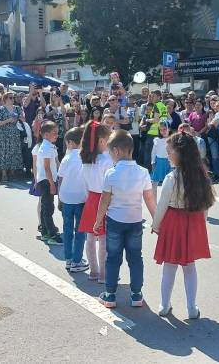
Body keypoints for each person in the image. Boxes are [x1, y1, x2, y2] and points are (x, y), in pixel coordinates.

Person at [152, 131, 215, 319]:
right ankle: (191, 307)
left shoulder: (172, 178)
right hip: (193, 221)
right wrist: (201, 223)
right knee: (189, 266)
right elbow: (206, 204)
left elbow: (162, 205)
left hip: (173, 222)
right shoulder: (201, 176)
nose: (168, 155)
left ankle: (165, 304)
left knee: (169, 265)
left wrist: (156, 225)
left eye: (169, 151)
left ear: (180, 153)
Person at [94, 130, 157, 308]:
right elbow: (149, 199)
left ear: (116, 151)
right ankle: (136, 294)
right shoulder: (143, 172)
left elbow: (104, 200)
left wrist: (98, 220)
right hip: (135, 222)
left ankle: (110, 295)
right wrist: (156, 220)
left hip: (115, 221)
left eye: (110, 152)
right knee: (135, 257)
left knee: (113, 258)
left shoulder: (111, 174)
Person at [78, 122, 113, 282]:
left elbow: (85, 184)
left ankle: (93, 271)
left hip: (91, 198)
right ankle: (104, 274)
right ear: (101, 140)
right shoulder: (107, 159)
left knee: (90, 237)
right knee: (104, 239)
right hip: (105, 199)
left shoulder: (85, 159)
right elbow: (110, 183)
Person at [58, 127, 90, 272]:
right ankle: (77, 260)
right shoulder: (85, 158)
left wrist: (59, 197)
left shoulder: (66, 158)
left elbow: (60, 178)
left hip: (66, 197)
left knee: (67, 229)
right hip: (81, 198)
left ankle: (68, 259)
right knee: (80, 231)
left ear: (70, 142)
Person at [36, 122, 62, 244]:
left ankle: (45, 232)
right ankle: (52, 235)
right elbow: (47, 168)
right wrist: (52, 184)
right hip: (46, 181)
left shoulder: (51, 146)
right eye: (54, 133)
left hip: (48, 180)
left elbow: (56, 163)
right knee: (48, 208)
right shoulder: (46, 148)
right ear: (46, 135)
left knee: (45, 207)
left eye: (57, 132)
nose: (57, 135)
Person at [0, 92, 25, 182]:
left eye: (13, 98)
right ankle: (4, 174)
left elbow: (23, 119)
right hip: (4, 134)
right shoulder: (0, 109)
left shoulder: (17, 108)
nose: (12, 99)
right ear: (5, 99)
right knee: (3, 153)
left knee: (14, 152)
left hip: (15, 134)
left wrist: (20, 118)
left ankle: (12, 172)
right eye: (10, 98)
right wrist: (8, 120)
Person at [151, 121, 173, 188]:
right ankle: (154, 195)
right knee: (154, 182)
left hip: (169, 163)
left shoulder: (172, 140)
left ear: (169, 129)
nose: (163, 131)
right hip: (159, 162)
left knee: (169, 182)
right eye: (160, 130)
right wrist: (153, 162)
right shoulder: (157, 140)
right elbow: (153, 152)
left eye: (164, 129)